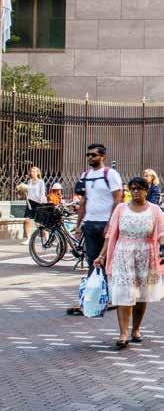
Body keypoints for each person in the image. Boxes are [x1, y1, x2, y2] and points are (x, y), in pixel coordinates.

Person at [94, 177, 164, 349]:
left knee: (141, 295)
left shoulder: (155, 210)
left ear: (146, 191)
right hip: (123, 256)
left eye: (139, 189)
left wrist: (162, 248)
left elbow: (162, 233)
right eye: (132, 189)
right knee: (124, 293)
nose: (135, 192)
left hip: (146, 256)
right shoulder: (121, 208)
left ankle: (136, 329)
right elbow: (110, 235)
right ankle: (123, 333)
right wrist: (101, 256)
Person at [67, 143, 122, 315]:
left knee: (109, 261)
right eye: (88, 155)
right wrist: (78, 225)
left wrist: (110, 224)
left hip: (106, 223)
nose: (90, 157)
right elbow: (83, 202)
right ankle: (93, 297)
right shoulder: (86, 175)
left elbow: (117, 199)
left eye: (94, 155)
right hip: (90, 224)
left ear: (102, 156)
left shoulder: (110, 174)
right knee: (93, 261)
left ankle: (112, 296)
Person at [19, 166, 46, 245]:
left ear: (38, 173)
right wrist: (23, 189)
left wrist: (41, 203)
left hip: (38, 203)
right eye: (31, 171)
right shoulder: (30, 181)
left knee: (40, 222)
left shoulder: (41, 182)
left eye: (34, 171)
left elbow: (42, 193)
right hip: (30, 203)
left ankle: (46, 237)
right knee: (27, 220)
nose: (32, 173)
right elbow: (28, 192)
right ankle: (28, 239)